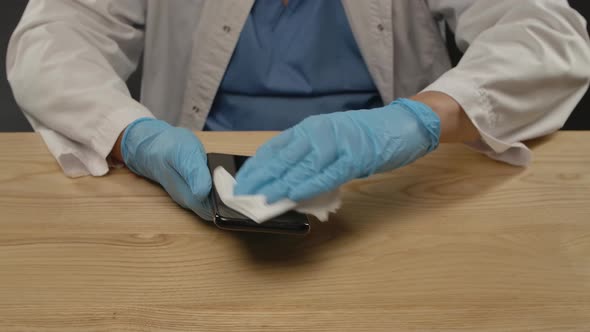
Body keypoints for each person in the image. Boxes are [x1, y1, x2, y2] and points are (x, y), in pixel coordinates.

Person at [7, 0, 590, 220]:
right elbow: (54, 34)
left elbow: (545, 34)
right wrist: (130, 134)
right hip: (185, 192)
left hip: (389, 192)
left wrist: (418, 119)